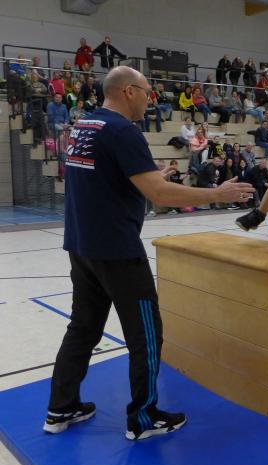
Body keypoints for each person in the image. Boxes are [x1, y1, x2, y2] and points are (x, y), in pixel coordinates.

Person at [44, 66, 253, 441]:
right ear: (128, 91)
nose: (150, 99)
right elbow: (159, 195)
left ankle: (61, 407)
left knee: (83, 328)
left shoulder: (85, 125)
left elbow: (105, 176)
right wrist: (216, 194)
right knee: (147, 335)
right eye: (146, 91)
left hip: (82, 245)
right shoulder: (124, 131)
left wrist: (151, 173)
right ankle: (143, 418)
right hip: (118, 251)